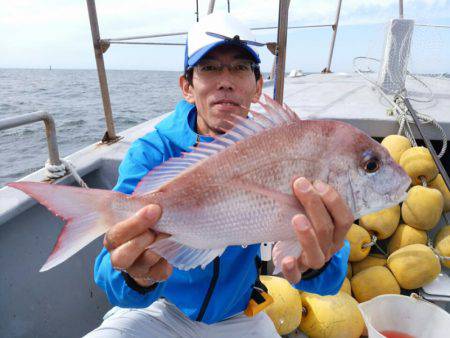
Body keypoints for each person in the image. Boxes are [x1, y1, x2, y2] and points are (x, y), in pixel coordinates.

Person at [85, 13, 352, 338]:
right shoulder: (152, 152)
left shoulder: (284, 148)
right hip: (162, 309)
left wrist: (317, 262)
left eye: (240, 67)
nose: (226, 80)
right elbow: (110, 273)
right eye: (209, 67)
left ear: (257, 87)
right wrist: (136, 276)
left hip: (239, 314)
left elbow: (326, 279)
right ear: (187, 86)